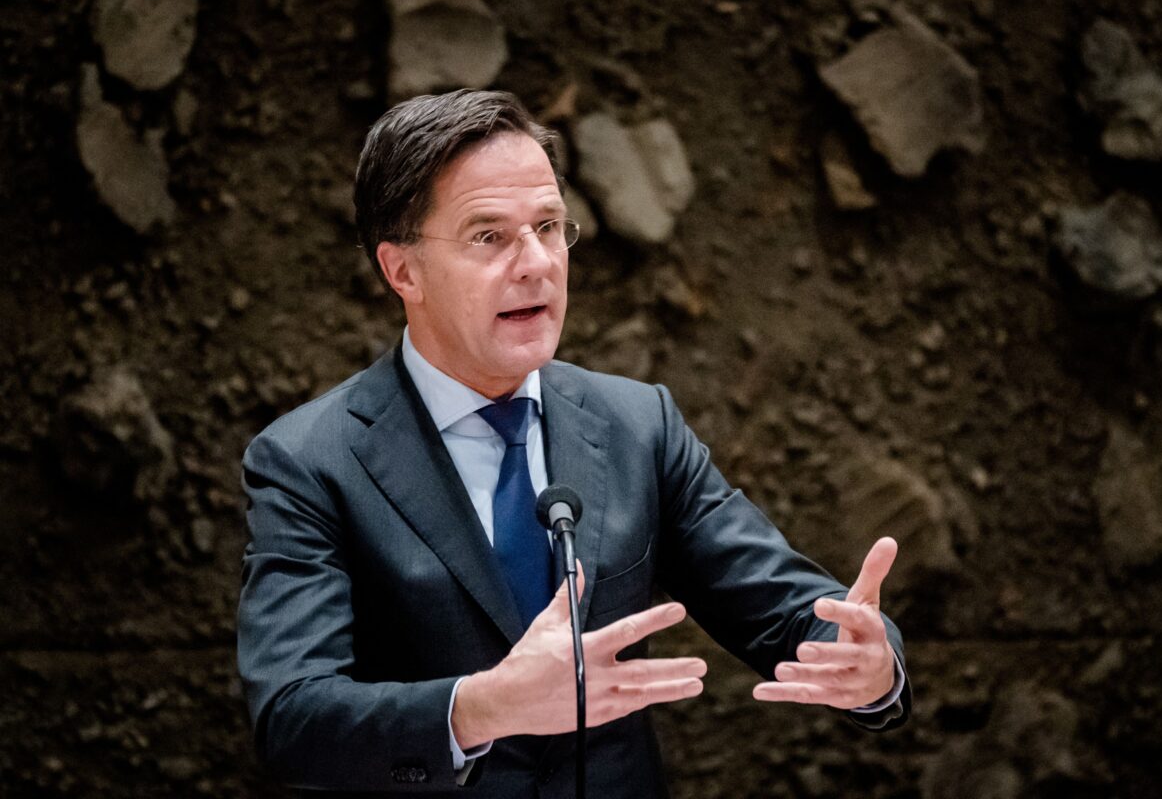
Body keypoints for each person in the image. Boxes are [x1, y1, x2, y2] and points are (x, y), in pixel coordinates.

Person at [237, 89, 910, 798]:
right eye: (489, 236)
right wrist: (482, 707)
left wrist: (865, 661)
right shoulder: (310, 461)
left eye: (549, 226)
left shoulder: (637, 424)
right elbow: (293, 720)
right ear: (402, 270)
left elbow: (785, 607)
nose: (536, 263)